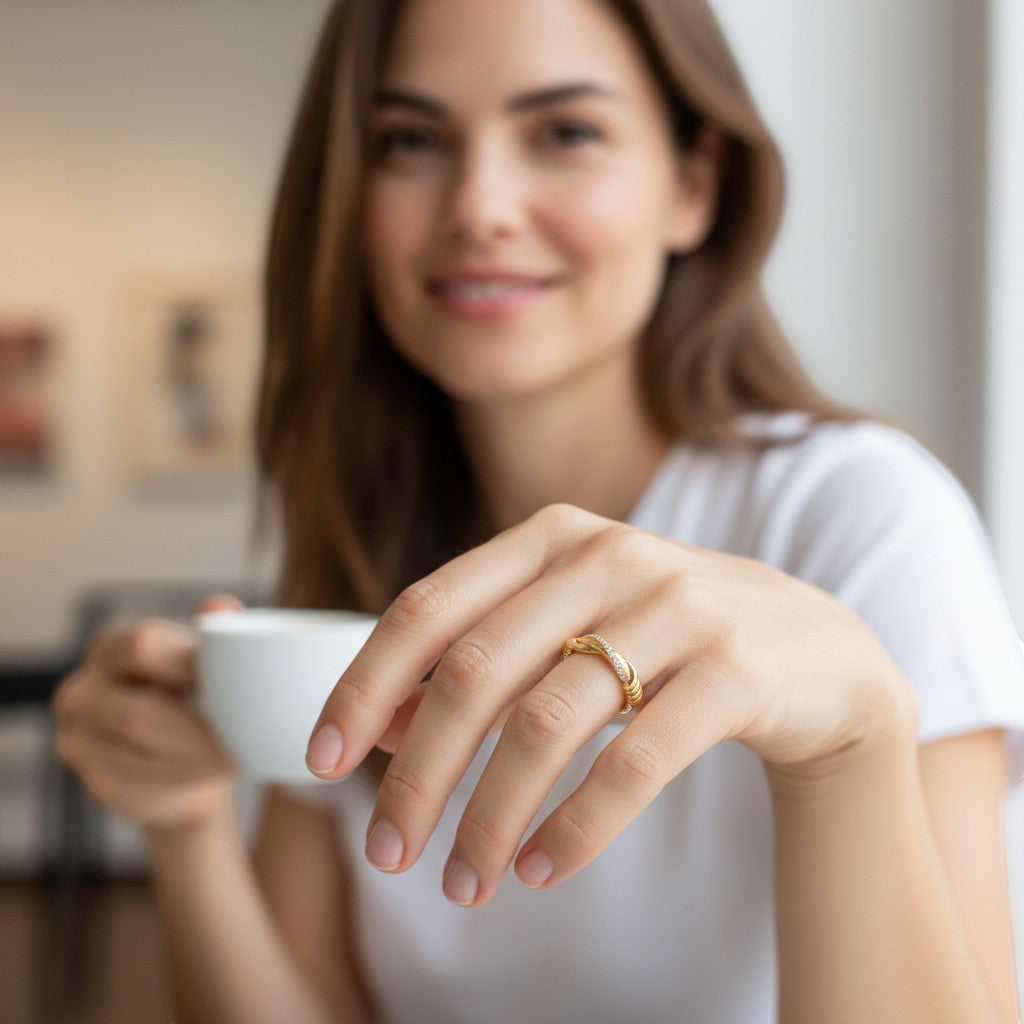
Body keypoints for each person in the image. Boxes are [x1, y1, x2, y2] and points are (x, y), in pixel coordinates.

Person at [52, 0, 1024, 1021]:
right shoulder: (363, 534)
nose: (479, 206)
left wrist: (847, 754)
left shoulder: (860, 518)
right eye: (411, 140)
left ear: (693, 185)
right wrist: (185, 825)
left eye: (564, 131)